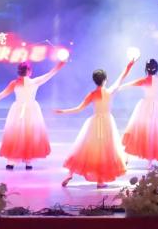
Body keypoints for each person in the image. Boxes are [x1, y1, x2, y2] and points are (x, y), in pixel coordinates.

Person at [55, 57, 137, 188]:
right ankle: (100, 181)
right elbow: (122, 77)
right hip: (106, 123)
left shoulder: (92, 94)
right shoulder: (110, 91)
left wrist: (63, 111)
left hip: (95, 123)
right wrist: (130, 65)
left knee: (85, 149)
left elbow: (79, 108)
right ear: (105, 80)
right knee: (104, 150)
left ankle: (70, 173)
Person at [0, 59, 67, 170]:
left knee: (18, 133)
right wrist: (60, 65)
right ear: (29, 71)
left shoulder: (17, 83)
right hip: (28, 110)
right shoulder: (32, 82)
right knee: (28, 133)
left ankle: (14, 161)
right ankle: (26, 161)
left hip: (21, 109)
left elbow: (2, 94)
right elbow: (50, 74)